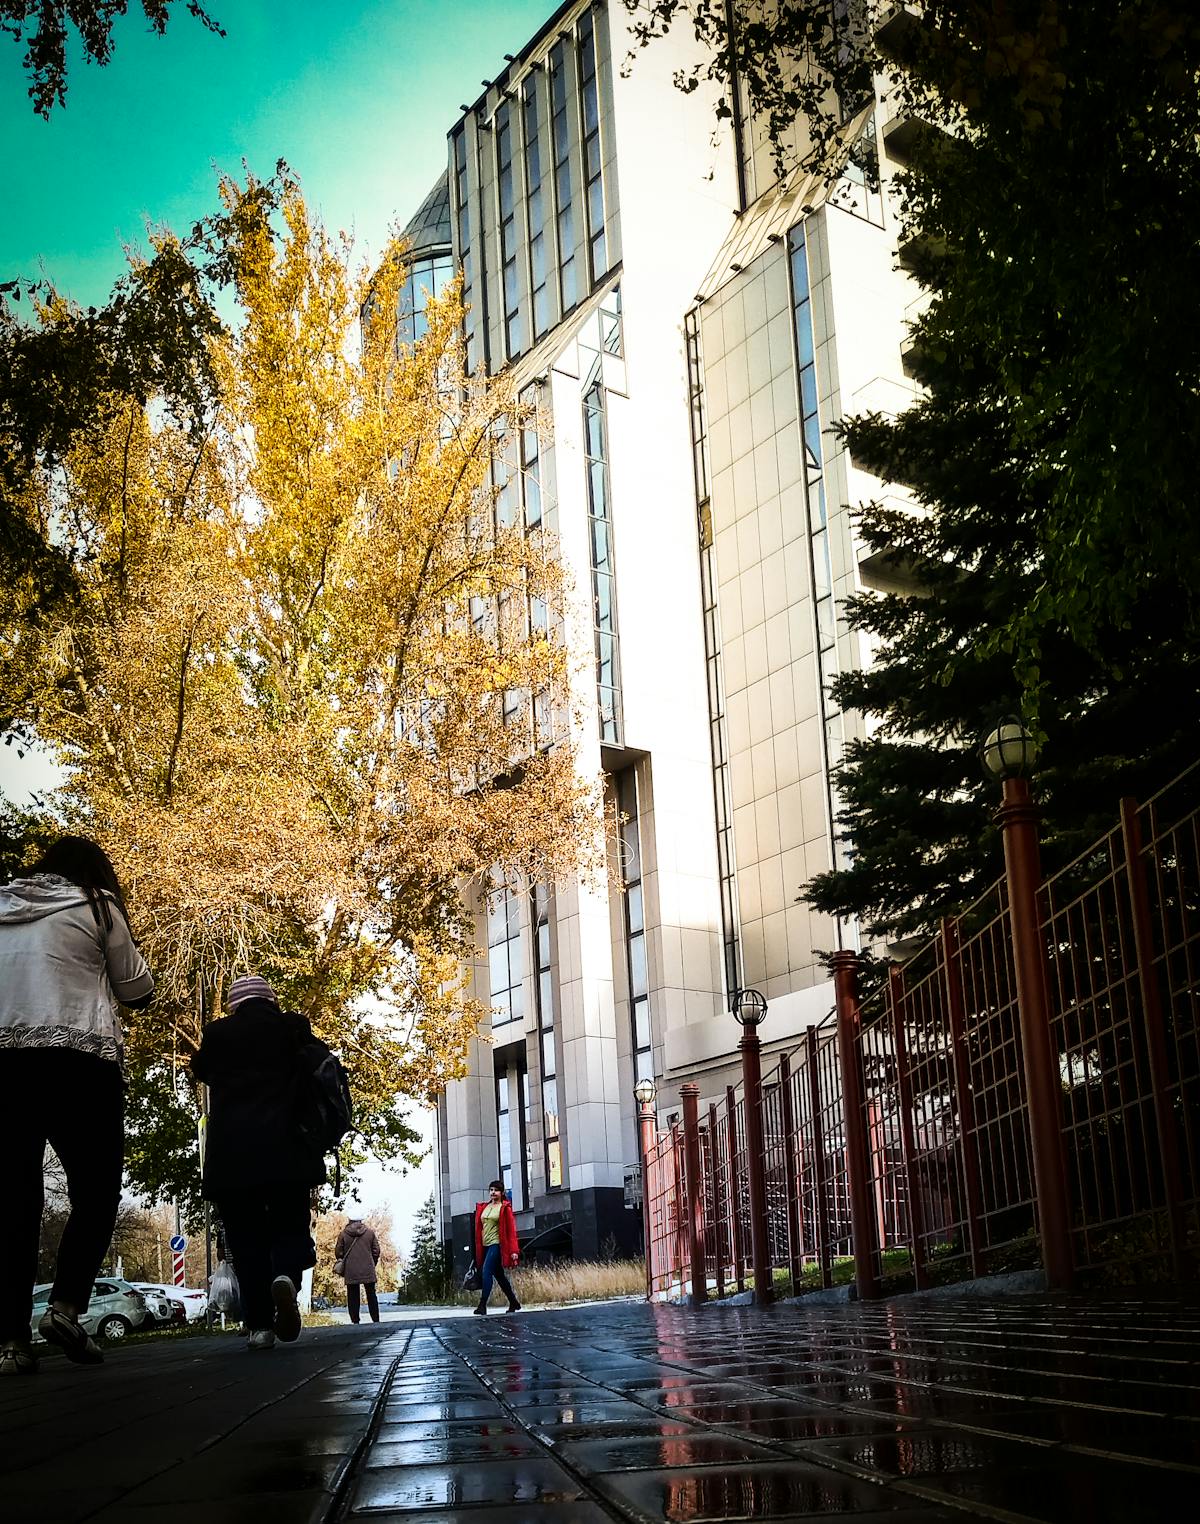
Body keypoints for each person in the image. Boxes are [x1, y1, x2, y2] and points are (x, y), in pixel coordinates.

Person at [0, 836, 154, 1375]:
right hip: (78, 1060)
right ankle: (65, 1307)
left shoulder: (3, 903)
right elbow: (135, 987)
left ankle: (11, 1343)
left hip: (4, 1065)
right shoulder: (96, 903)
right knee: (96, 1189)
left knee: (15, 1204)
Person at [191, 975, 326, 1350]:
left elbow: (200, 1068)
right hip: (287, 1148)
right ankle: (284, 1276)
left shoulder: (218, 1033)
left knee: (245, 1238)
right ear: (270, 1000)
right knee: (290, 1221)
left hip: (232, 1155)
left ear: (234, 1005)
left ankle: (260, 1327)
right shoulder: (292, 1027)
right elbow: (320, 1064)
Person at [472, 1180, 521, 1315]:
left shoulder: (505, 1208)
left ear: (502, 1192)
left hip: (497, 1244)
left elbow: (511, 1231)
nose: (493, 1192)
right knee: (499, 1276)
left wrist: (514, 1251)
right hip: (485, 1245)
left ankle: (482, 1305)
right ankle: (514, 1302)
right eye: (491, 1190)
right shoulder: (484, 1207)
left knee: (486, 1271)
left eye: (496, 1190)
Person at [335, 1217, 381, 1324]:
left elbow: (338, 1252)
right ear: (361, 1220)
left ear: (349, 1220)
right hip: (368, 1268)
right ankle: (375, 1320)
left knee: (353, 1295)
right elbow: (376, 1251)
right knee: (371, 1294)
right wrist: (372, 1263)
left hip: (351, 1269)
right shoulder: (370, 1233)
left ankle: (355, 1321)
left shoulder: (343, 1234)